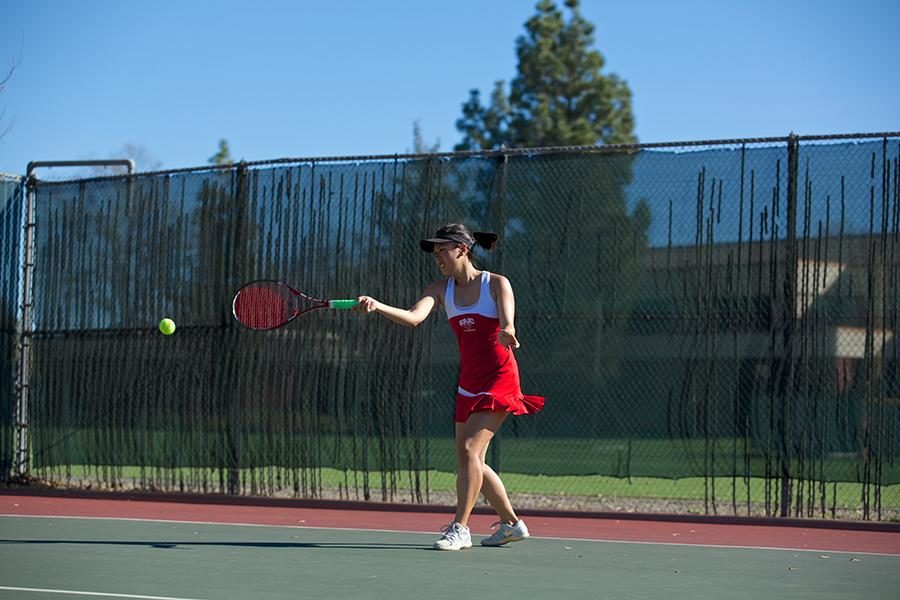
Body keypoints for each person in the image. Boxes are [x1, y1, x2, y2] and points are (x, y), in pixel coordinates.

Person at [354, 223, 544, 551]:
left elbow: (508, 319)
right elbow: (414, 317)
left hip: (499, 378)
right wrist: (378, 305)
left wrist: (508, 330)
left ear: (463, 249)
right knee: (470, 460)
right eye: (435, 252)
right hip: (468, 384)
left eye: (443, 249)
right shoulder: (440, 289)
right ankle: (512, 524)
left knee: (470, 451)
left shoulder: (496, 283)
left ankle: (460, 528)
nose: (438, 256)